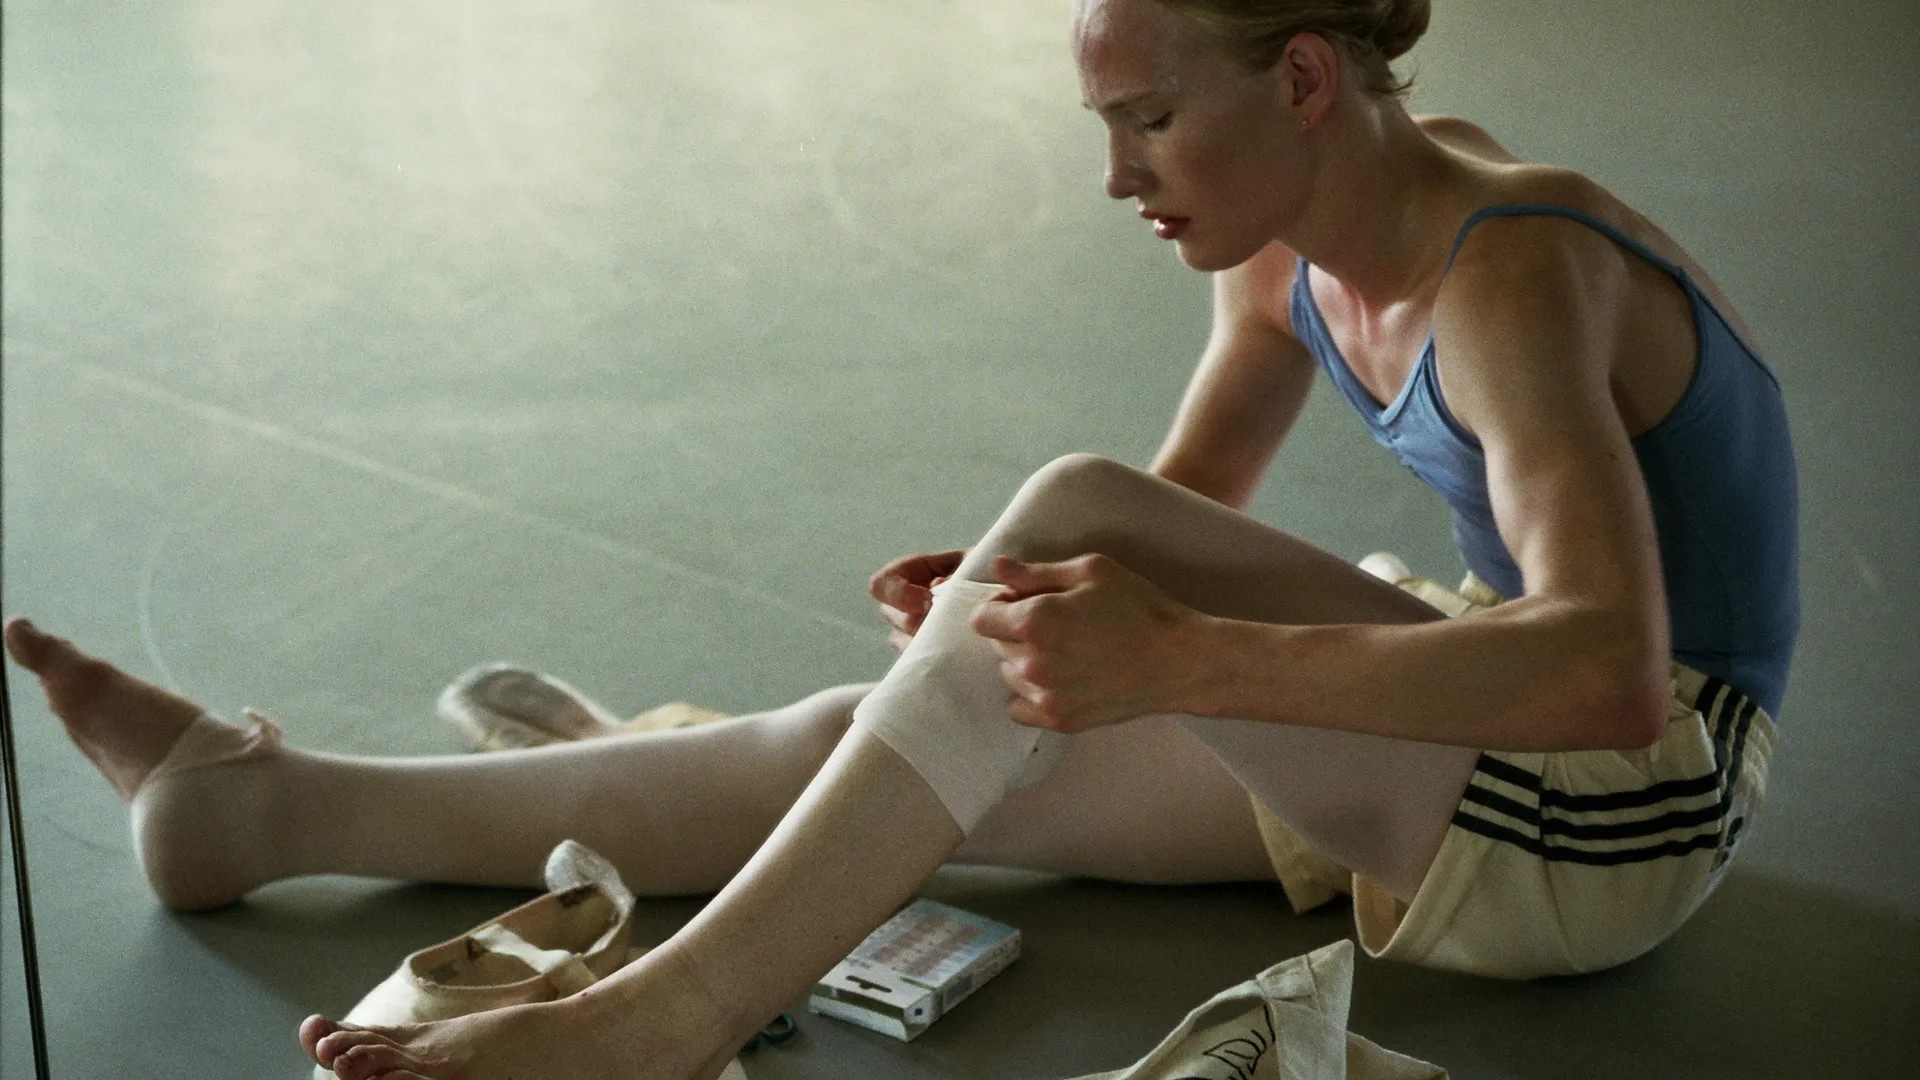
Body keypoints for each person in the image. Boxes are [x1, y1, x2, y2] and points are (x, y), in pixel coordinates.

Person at [4, 0, 1797, 1077]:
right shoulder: (1287, 253)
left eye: (1151, 119)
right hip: (1467, 716)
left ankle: (661, 1024)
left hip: (1636, 797)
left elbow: (1604, 673)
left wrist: (1168, 644)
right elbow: (1182, 522)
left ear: (1308, 80)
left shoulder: (1513, 265)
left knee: (1062, 532)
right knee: (887, 748)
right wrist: (1020, 617)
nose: (1119, 175)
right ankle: (264, 811)